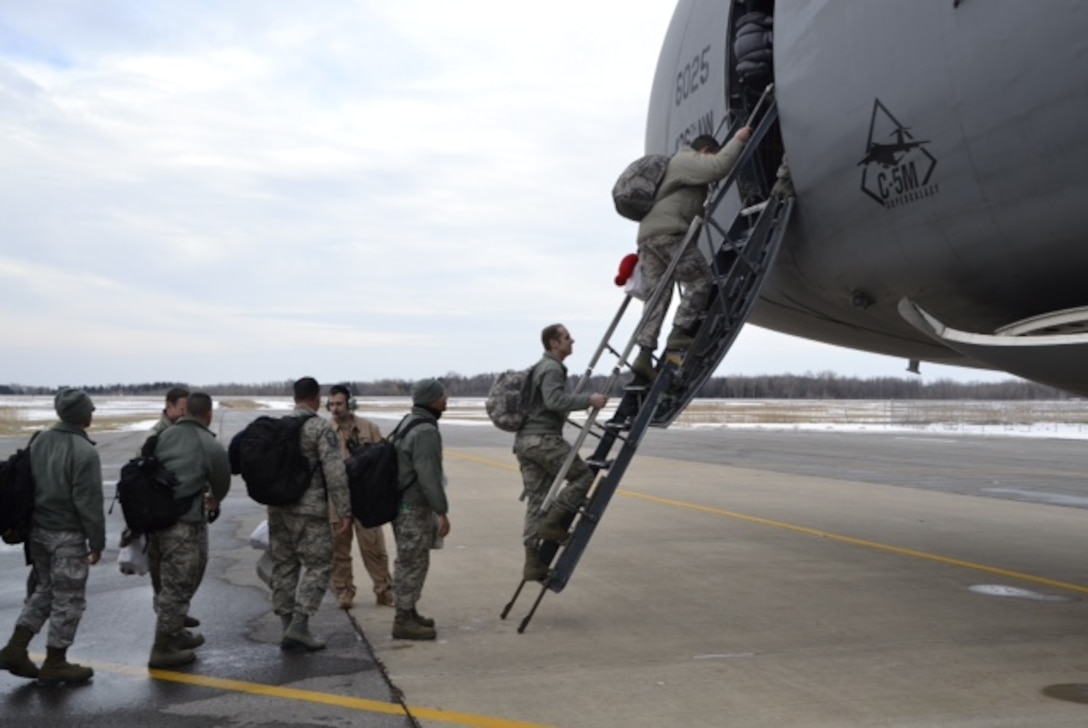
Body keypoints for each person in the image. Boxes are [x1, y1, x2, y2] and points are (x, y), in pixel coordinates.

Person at [630, 127, 752, 381]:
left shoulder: (677, 167)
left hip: (649, 236)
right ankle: (679, 332)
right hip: (669, 233)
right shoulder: (687, 160)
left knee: (658, 297)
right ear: (705, 151)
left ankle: (643, 355)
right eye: (711, 154)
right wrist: (740, 138)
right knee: (701, 280)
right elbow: (718, 167)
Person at [0, 389, 104, 684]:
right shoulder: (84, 452)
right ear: (83, 415)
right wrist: (96, 543)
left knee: (45, 590)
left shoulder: (41, 440)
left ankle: (15, 648)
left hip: (38, 532)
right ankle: (56, 661)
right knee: (69, 600)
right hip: (66, 536)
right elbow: (89, 503)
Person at [514, 324, 608, 581]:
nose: (572, 340)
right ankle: (552, 523)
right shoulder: (552, 368)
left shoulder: (541, 367)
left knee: (536, 500)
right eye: (567, 337)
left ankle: (532, 563)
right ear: (554, 343)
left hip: (525, 442)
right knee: (583, 477)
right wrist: (589, 400)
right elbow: (553, 401)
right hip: (543, 440)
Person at [146, 392, 231, 668]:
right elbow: (222, 483)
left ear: (185, 413)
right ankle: (162, 649)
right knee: (178, 584)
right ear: (208, 415)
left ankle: (176, 635)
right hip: (183, 524)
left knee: (168, 582)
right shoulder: (209, 444)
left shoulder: (164, 436)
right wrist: (213, 498)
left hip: (155, 520)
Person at [268, 377, 352, 651]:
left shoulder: (278, 427)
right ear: (316, 398)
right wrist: (344, 509)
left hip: (278, 508)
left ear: (295, 398)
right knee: (319, 565)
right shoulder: (319, 428)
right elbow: (335, 473)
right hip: (309, 510)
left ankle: (286, 626)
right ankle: (300, 625)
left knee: (284, 565)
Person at [391, 378, 451, 640]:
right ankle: (403, 619)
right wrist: (442, 510)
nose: (445, 399)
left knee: (412, 560)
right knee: (411, 563)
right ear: (431, 399)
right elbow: (429, 475)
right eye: (442, 395)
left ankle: (409, 611)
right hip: (412, 508)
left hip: (402, 505)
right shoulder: (425, 431)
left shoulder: (408, 422)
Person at [326, 384, 395, 609]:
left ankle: (384, 590)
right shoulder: (324, 432)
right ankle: (344, 592)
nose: (335, 409)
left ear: (350, 404)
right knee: (339, 552)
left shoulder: (369, 428)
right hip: (337, 501)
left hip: (367, 500)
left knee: (374, 548)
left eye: (339, 404)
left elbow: (385, 461)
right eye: (332, 404)